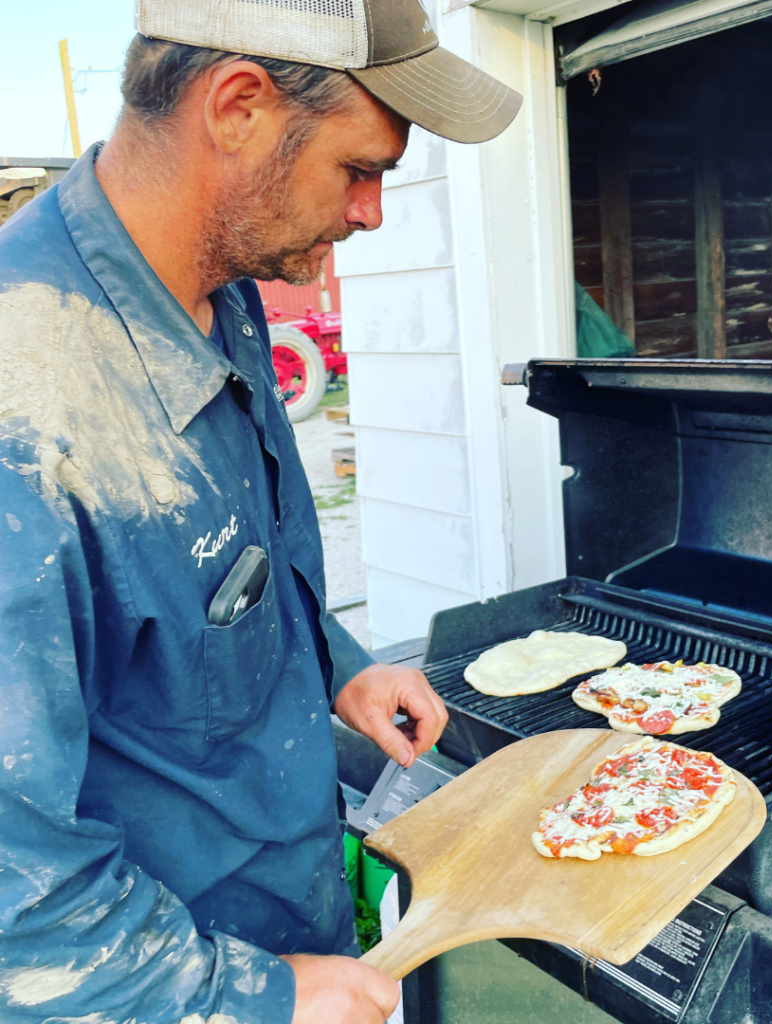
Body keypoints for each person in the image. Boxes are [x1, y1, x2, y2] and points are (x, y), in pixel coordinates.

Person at [0, 0, 521, 1021]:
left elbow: (227, 568)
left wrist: (339, 662)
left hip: (299, 923)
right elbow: (18, 897)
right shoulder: (30, 414)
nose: (371, 210)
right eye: (358, 168)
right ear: (237, 106)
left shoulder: (221, 288)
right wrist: (249, 996)